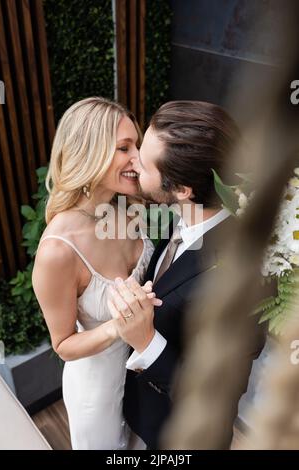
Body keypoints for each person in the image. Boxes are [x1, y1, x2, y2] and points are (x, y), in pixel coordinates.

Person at [108, 100, 266, 449]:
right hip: (144, 414)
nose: (130, 163)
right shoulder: (179, 216)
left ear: (182, 189)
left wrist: (146, 341)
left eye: (143, 162)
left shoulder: (244, 278)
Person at [32, 97, 159, 450]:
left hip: (146, 382)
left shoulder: (127, 207)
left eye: (137, 144)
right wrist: (121, 325)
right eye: (124, 148)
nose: (138, 158)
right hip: (99, 399)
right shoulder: (58, 251)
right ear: (90, 152)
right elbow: (63, 346)